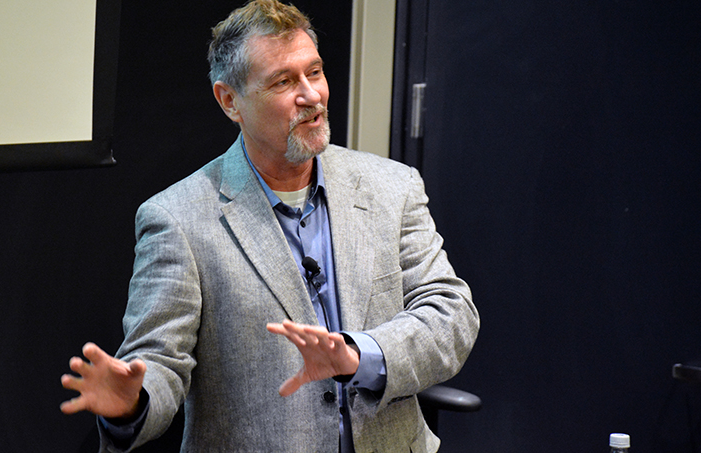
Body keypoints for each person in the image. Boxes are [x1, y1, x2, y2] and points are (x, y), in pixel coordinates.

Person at [60, 1, 479, 451]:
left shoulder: (391, 187)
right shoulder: (179, 219)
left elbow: (450, 315)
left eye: (314, 72)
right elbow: (159, 361)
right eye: (284, 81)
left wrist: (359, 354)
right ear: (229, 101)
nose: (312, 96)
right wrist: (132, 403)